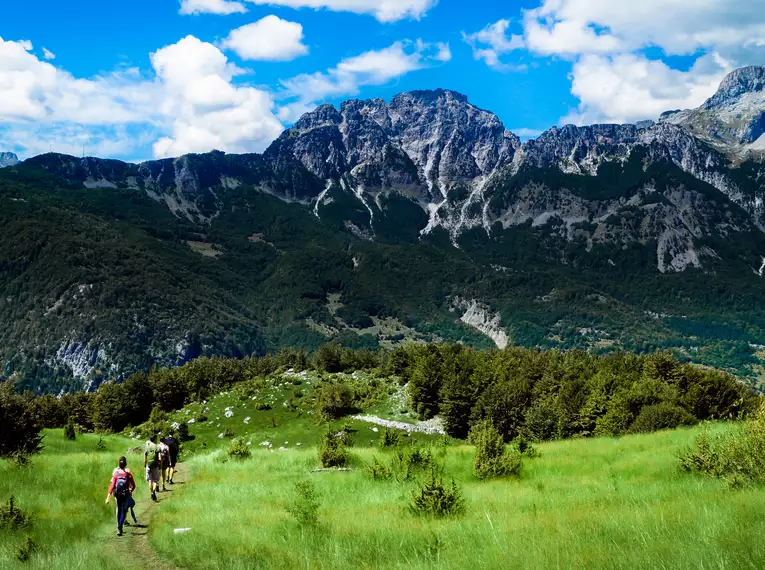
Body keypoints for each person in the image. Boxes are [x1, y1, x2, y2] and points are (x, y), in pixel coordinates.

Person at [105, 456, 136, 537]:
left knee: (118, 508)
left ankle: (118, 527)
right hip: (125, 494)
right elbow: (133, 485)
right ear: (126, 463)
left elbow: (112, 485)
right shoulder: (128, 473)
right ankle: (120, 527)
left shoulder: (115, 472)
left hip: (117, 494)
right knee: (124, 510)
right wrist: (130, 491)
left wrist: (108, 496)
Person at [144, 434, 161, 501]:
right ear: (154, 439)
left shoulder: (147, 447)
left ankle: (151, 493)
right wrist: (160, 465)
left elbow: (145, 459)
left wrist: (145, 466)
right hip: (155, 466)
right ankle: (154, 491)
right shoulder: (157, 447)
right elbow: (159, 458)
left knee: (150, 480)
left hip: (148, 465)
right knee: (155, 480)